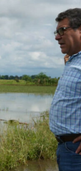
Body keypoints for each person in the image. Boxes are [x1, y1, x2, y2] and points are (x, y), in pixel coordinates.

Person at [50, 8, 81, 171]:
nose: (57, 37)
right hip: (66, 148)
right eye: (56, 32)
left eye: (62, 30)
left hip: (76, 150)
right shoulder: (73, 60)